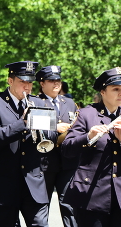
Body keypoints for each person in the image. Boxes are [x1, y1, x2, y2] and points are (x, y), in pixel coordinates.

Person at [61, 67, 121, 227]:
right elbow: (67, 149)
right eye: (115, 89)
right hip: (91, 196)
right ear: (103, 91)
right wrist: (87, 137)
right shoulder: (87, 114)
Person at [0, 61, 56, 227]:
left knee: (40, 224)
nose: (27, 87)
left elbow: (52, 135)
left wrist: (46, 135)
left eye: (30, 83)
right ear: (10, 81)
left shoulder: (40, 104)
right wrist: (23, 122)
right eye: (22, 82)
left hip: (33, 180)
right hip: (3, 182)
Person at [35, 65, 78, 227]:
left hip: (67, 162)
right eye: (51, 80)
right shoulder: (35, 101)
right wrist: (55, 127)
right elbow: (34, 126)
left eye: (58, 80)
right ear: (42, 83)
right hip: (43, 162)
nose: (56, 83)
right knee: (40, 207)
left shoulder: (69, 102)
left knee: (70, 206)